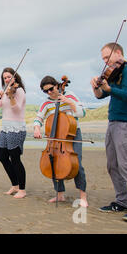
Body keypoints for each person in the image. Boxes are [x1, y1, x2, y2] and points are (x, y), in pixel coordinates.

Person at [91, 42, 127, 221]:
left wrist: (109, 88)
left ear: (118, 53)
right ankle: (121, 201)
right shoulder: (115, 74)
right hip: (113, 122)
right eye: (103, 59)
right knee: (112, 165)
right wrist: (96, 87)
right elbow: (101, 95)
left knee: (126, 166)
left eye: (107, 57)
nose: (105, 62)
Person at [34, 76, 88, 207]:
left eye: (51, 89)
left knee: (77, 164)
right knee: (53, 161)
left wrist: (69, 102)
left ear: (57, 85)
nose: (49, 93)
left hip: (72, 134)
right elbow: (39, 118)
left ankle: (83, 196)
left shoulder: (69, 95)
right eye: (45, 91)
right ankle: (59, 194)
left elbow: (82, 113)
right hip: (56, 138)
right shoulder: (46, 103)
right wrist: (36, 128)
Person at [0, 68, 27, 199]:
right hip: (5, 128)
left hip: (16, 128)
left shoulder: (19, 91)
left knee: (15, 159)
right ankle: (15, 185)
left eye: (9, 77)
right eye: (5, 78)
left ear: (15, 77)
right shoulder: (6, 91)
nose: (7, 79)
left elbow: (17, 109)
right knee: (2, 157)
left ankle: (22, 190)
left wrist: (11, 97)